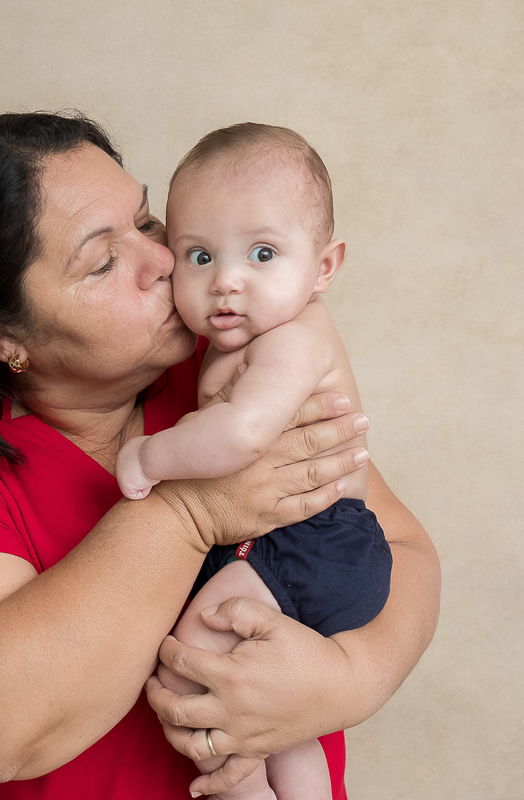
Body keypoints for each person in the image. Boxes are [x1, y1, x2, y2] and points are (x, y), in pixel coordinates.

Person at [0, 111, 440, 800]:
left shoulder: (231, 366)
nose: (164, 259)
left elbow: (399, 545)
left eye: (146, 222)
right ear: (0, 332)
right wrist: (192, 511)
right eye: (103, 260)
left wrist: (346, 679)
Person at [116, 123, 390, 799]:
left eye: (263, 253)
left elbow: (240, 436)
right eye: (200, 256)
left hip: (314, 545)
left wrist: (148, 456)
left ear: (324, 267)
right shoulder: (239, 337)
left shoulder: (294, 339)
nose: (227, 283)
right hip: (286, 544)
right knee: (277, 713)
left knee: (193, 669)